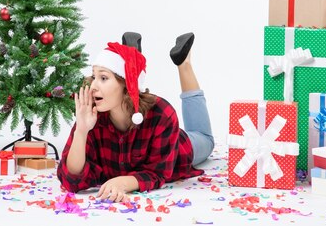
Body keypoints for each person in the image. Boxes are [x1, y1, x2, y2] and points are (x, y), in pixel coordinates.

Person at [56, 32, 215, 202]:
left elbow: (158, 173)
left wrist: (125, 182)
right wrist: (81, 130)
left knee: (205, 138)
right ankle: (132, 58)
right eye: (94, 76)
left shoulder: (161, 113)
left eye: (103, 78)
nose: (93, 86)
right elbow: (70, 179)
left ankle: (183, 63)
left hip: (178, 147)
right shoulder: (91, 116)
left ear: (127, 85)